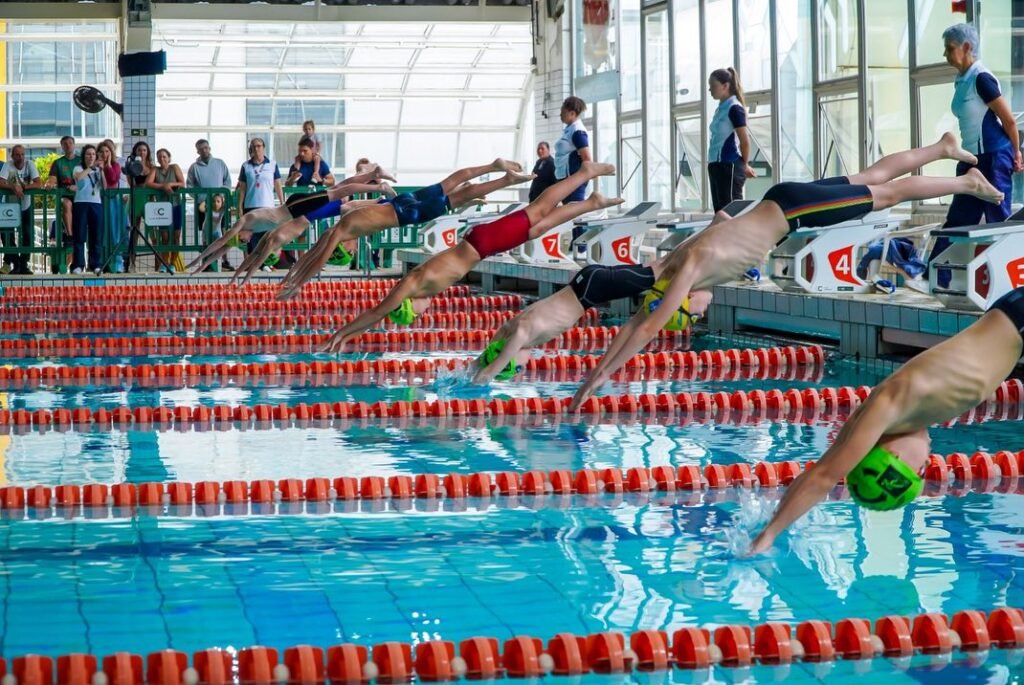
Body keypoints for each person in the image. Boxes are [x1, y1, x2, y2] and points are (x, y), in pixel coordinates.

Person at [569, 133, 1004, 410]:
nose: (699, 315)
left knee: (887, 194)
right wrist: (593, 376)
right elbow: (638, 321)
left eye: (690, 313)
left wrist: (602, 378)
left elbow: (646, 330)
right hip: (783, 202)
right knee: (870, 176)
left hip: (794, 210)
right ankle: (941, 147)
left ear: (681, 299)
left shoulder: (689, 271)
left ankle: (966, 182)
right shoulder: (677, 262)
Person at [749, 285, 1024, 554]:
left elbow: (824, 477)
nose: (928, 462)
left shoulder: (887, 411)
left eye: (918, 471)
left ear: (894, 455)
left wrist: (769, 535)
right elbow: (822, 469)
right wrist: (771, 523)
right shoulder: (886, 417)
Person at [317, 161, 620, 353]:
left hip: (482, 243)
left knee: (538, 212)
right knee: (537, 227)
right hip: (483, 245)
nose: (425, 313)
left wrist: (342, 335)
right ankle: (590, 202)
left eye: (417, 313)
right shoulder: (423, 288)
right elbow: (377, 315)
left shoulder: (412, 284)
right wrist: (345, 337)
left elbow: (376, 313)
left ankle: (584, 173)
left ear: (410, 305)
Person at [274, 158, 535, 300]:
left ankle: (504, 180)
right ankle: (492, 166)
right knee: (450, 183)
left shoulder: (339, 232)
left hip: (407, 214)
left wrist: (298, 285)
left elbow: (317, 259)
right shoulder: (345, 221)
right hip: (399, 201)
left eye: (349, 251)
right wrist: (293, 277)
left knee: (458, 196)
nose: (354, 248)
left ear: (344, 246)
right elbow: (311, 255)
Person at [475, 264, 713, 383]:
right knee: (661, 267)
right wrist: (476, 367)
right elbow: (498, 342)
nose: (522, 369)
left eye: (517, 367)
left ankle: (715, 237)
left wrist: (485, 376)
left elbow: (500, 356)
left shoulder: (523, 334)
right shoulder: (514, 326)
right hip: (584, 283)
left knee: (663, 268)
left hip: (590, 291)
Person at [929, 23, 1024, 274]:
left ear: (967, 47)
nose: (946, 55)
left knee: (998, 220)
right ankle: (933, 274)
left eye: (950, 49)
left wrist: (1016, 152)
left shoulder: (982, 78)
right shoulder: (962, 80)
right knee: (958, 220)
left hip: (994, 157)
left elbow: (1009, 120)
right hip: (971, 160)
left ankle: (1008, 278)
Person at [186, 165, 395, 275]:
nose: (245, 241)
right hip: (302, 212)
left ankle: (378, 185)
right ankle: (378, 196)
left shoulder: (246, 221)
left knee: (341, 191)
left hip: (295, 208)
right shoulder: (266, 235)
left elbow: (221, 242)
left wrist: (197, 263)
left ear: (239, 234)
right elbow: (252, 259)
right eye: (244, 243)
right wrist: (237, 277)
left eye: (241, 240)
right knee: (343, 198)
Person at [707, 68, 756, 212]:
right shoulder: (720, 109)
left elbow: (745, 141)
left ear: (725, 86)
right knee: (719, 213)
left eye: (713, 86)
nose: (710, 89)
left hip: (729, 165)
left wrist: (744, 164)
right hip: (716, 165)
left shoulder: (734, 108)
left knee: (730, 214)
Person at [186, 138, 233, 271]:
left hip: (220, 205)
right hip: (204, 206)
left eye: (206, 147)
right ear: (197, 151)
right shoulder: (194, 168)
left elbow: (227, 182)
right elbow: (190, 187)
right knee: (206, 233)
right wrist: (202, 199)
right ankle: (207, 261)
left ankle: (224, 261)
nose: (204, 150)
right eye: (201, 149)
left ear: (209, 148)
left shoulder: (220, 163)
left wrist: (220, 197)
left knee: (223, 232)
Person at [237, 137, 285, 263]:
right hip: (251, 205)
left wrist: (282, 203)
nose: (256, 149)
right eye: (253, 146)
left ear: (263, 147)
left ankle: (266, 263)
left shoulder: (272, 164)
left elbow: (278, 185)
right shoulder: (246, 166)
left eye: (258, 146)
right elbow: (242, 188)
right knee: (251, 237)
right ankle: (252, 264)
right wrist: (240, 207)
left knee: (267, 235)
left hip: (267, 206)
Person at [0, 144, 41, 275]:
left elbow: (38, 183)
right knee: (7, 234)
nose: (21, 157)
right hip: (10, 206)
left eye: (23, 154)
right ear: (12, 156)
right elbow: (1, 181)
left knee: (28, 235)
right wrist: (13, 187)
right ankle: (16, 263)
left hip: (26, 205)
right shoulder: (8, 165)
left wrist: (23, 188)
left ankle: (24, 264)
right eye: (17, 155)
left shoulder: (30, 164)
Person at [146, 148, 186, 274]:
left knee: (176, 235)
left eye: (164, 156)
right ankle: (165, 263)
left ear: (169, 158)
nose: (162, 159)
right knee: (164, 236)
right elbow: (148, 183)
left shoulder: (174, 167)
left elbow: (182, 183)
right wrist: (163, 186)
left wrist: (170, 185)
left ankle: (173, 263)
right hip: (162, 207)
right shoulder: (155, 170)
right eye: (159, 157)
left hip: (176, 205)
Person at [70, 144, 104, 276]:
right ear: (84, 156)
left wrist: (101, 171)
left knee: (96, 235)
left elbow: (104, 186)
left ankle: (95, 264)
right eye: (88, 154)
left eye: (93, 154)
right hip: (81, 203)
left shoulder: (98, 170)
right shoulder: (78, 168)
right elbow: (79, 177)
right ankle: (78, 264)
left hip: (96, 203)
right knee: (79, 235)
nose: (91, 156)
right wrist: (91, 167)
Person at [45, 135, 79, 266]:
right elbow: (52, 179)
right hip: (65, 198)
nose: (68, 145)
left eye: (70, 143)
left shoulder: (81, 161)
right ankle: (69, 236)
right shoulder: (58, 163)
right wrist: (50, 184)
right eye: (65, 143)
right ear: (62, 146)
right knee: (66, 203)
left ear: (74, 145)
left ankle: (78, 263)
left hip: (81, 198)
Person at [125, 141, 154, 272]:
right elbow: (131, 183)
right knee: (134, 232)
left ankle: (159, 263)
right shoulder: (131, 167)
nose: (142, 152)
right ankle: (132, 263)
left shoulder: (152, 167)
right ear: (135, 152)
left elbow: (153, 185)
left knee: (153, 231)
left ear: (147, 152)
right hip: (136, 199)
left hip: (149, 201)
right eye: (139, 150)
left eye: (144, 150)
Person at [96, 141, 125, 273]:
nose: (104, 154)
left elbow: (113, 179)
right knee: (100, 232)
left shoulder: (116, 165)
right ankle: (100, 261)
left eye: (107, 151)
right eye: (101, 151)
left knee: (115, 231)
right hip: (98, 199)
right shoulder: (93, 165)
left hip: (113, 200)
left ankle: (117, 261)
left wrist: (107, 165)